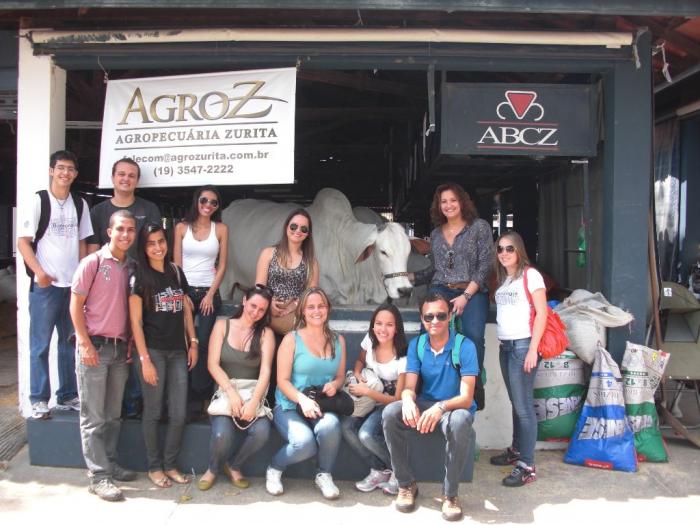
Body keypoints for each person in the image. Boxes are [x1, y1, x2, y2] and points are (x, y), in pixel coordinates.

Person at [382, 292, 478, 522]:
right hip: (426, 403)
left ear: (450, 316)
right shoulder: (418, 344)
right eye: (429, 317)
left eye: (440, 315)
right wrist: (406, 399)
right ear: (422, 318)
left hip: (453, 408)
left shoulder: (464, 346)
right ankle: (406, 484)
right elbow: (410, 386)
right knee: (389, 413)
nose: (434, 321)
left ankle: (450, 494)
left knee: (461, 420)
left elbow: (466, 397)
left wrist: (441, 407)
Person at [17, 149, 93, 419]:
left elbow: (83, 241)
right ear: (51, 170)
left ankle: (67, 396)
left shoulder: (80, 204)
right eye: (61, 168)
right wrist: (39, 273)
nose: (65, 173)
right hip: (46, 288)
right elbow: (23, 242)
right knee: (40, 344)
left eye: (70, 169)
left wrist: (82, 274)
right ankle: (38, 399)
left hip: (72, 287)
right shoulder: (40, 200)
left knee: (69, 344)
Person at [70, 210, 138, 502]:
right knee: (94, 416)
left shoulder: (132, 266)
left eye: (130, 230)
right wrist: (84, 342)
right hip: (94, 348)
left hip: (120, 348)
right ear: (109, 231)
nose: (125, 234)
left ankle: (109, 465)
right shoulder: (93, 263)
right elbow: (75, 305)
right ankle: (98, 476)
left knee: (113, 415)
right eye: (120, 229)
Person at [87, 157, 160, 418]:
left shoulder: (149, 209)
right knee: (116, 344)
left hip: (143, 286)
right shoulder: (98, 212)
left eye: (131, 175)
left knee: (141, 341)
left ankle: (135, 403)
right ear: (113, 177)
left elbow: (156, 247)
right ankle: (114, 403)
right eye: (121, 174)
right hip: (109, 290)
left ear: (137, 181)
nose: (126, 179)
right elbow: (93, 252)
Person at [129, 223, 198, 488]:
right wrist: (144, 359)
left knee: (178, 412)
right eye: (151, 243)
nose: (158, 247)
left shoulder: (175, 271)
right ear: (143, 248)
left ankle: (170, 464)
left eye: (161, 241)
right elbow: (135, 323)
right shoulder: (139, 277)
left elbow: (185, 309)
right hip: (153, 352)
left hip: (178, 352)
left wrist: (193, 341)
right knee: (154, 411)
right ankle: (154, 466)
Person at [267, 287, 346, 500]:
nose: (316, 311)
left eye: (321, 306)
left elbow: (340, 377)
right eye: (311, 307)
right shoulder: (291, 339)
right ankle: (274, 468)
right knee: (305, 443)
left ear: (328, 309)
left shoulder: (338, 340)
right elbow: (281, 381)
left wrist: (336, 385)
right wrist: (302, 400)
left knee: (331, 426)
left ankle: (324, 473)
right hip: (290, 404)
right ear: (302, 311)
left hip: (321, 403)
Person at [411, 183, 494, 381]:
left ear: (462, 202)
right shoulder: (436, 234)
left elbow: (485, 266)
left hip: (471, 290)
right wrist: (408, 277)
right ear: (438, 206)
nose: (448, 205)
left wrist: (466, 296)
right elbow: (435, 269)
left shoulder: (479, 227)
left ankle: (473, 384)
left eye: (453, 200)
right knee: (428, 332)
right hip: (441, 288)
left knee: (473, 337)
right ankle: (429, 379)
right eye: (444, 201)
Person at [197, 285, 275, 491]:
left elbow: (265, 372)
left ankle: (233, 465)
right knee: (223, 435)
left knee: (261, 432)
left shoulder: (266, 333)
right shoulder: (223, 325)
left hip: (253, 392)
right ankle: (213, 468)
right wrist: (231, 393)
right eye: (253, 306)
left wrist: (254, 402)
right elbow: (212, 364)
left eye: (261, 309)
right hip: (225, 391)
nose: (256, 312)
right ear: (244, 301)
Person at [490, 231, 547, 487]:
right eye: (500, 249)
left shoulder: (530, 275)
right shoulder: (505, 279)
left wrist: (533, 349)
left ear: (519, 251)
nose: (504, 253)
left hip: (524, 346)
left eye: (509, 249)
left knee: (524, 408)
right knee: (516, 403)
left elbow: (543, 314)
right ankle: (516, 451)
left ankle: (527, 466)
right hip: (507, 346)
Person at [341, 303, 407, 495]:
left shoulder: (403, 357)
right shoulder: (370, 340)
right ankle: (379, 470)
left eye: (389, 324)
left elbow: (396, 398)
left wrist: (367, 391)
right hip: (368, 398)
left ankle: (399, 471)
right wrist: (358, 372)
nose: (383, 329)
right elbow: (360, 360)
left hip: (388, 405)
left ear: (397, 328)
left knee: (366, 435)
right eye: (378, 323)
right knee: (346, 427)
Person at [173, 185, 228, 413]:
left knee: (205, 344)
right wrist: (182, 293)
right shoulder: (181, 227)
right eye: (204, 200)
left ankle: (202, 396)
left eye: (213, 203)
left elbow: (222, 264)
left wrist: (210, 294)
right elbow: (176, 264)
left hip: (208, 290)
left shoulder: (221, 229)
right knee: (182, 342)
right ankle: (181, 397)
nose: (208, 206)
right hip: (184, 290)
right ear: (197, 201)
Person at [255, 208, 319, 335]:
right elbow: (259, 287)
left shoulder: (311, 262)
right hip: (267, 307)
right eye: (294, 226)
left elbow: (311, 294)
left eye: (304, 229)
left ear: (308, 234)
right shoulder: (268, 253)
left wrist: (293, 306)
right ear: (286, 227)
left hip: (295, 312)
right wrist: (270, 304)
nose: (298, 231)